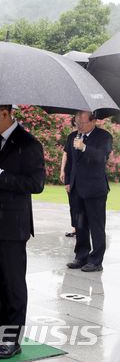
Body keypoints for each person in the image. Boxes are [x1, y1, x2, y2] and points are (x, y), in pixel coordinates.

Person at [0, 103, 45, 359]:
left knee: (13, 283)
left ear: (5, 113)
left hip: (12, 226)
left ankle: (12, 337)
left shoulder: (29, 143)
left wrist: (2, 176)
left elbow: (36, 184)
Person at [64, 111, 112, 273]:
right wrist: (68, 181)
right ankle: (81, 256)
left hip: (95, 189)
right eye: (77, 122)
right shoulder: (72, 137)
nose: (79, 126)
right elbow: (70, 161)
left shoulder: (104, 136)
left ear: (93, 121)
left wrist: (84, 147)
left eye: (82, 123)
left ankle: (96, 261)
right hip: (76, 188)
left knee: (96, 226)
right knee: (79, 223)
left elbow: (102, 157)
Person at [60, 116, 77, 237]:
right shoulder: (71, 137)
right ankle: (76, 228)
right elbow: (65, 154)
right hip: (69, 173)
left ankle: (84, 228)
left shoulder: (88, 138)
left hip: (81, 176)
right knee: (73, 203)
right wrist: (62, 171)